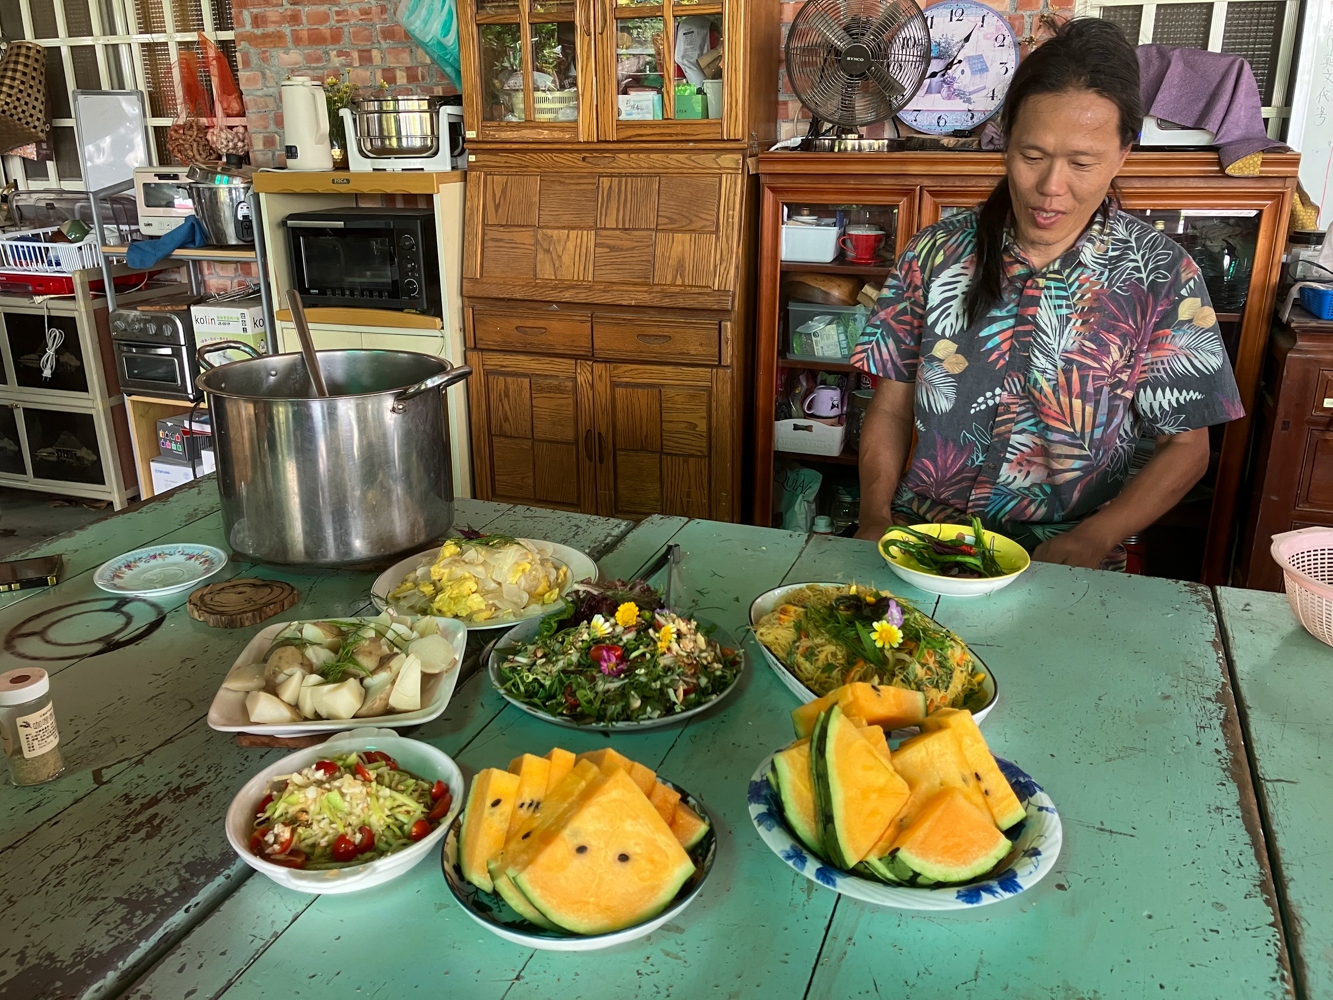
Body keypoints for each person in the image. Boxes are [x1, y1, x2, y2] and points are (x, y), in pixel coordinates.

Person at [850, 18, 1243, 570]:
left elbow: (1186, 448)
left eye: (1082, 163)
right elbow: (890, 407)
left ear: (1123, 154)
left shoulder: (1160, 275)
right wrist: (873, 516)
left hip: (1068, 557)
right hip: (926, 540)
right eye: (1031, 156)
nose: (1051, 187)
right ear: (1005, 141)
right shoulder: (934, 254)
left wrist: (1095, 538)